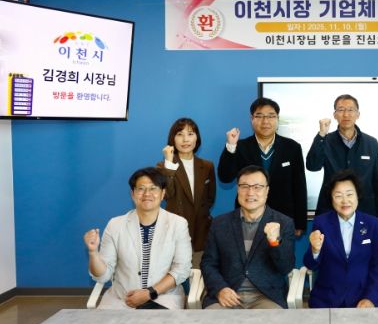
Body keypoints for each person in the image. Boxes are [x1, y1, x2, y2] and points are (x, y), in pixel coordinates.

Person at [83, 167, 192, 309]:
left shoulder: (178, 224)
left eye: (153, 188)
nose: (147, 194)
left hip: (162, 298)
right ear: (132, 194)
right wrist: (93, 252)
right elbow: (103, 276)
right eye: (141, 188)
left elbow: (182, 269)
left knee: (153, 323)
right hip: (122, 299)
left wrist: (149, 293)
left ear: (163, 193)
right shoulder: (115, 225)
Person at [201, 165, 295, 309]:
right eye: (244, 186)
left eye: (257, 187)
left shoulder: (284, 223)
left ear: (267, 191)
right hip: (227, 294)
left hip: (266, 296)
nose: (250, 192)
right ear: (237, 189)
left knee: (273, 322)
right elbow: (208, 263)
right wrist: (220, 289)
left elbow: (285, 267)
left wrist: (274, 242)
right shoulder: (220, 223)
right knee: (210, 321)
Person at [218, 97, 307, 236]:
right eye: (259, 116)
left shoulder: (292, 147)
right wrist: (231, 146)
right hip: (248, 216)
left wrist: (300, 222)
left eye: (271, 116)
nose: (265, 121)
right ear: (251, 119)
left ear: (277, 119)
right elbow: (225, 177)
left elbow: (299, 186)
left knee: (280, 251)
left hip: (282, 218)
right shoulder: (240, 147)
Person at [303, 170, 378, 308]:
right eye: (338, 196)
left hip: (362, 299)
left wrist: (370, 298)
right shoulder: (321, 223)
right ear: (331, 199)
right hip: (326, 299)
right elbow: (310, 264)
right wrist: (315, 250)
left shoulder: (371, 223)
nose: (345, 201)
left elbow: (377, 265)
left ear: (357, 196)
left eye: (349, 194)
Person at [306, 94, 378, 232]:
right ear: (334, 115)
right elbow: (312, 166)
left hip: (364, 212)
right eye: (341, 110)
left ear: (358, 114)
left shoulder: (371, 143)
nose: (346, 114)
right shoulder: (326, 140)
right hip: (330, 211)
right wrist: (321, 135)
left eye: (350, 110)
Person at [157, 117, 216, 267]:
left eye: (190, 134)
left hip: (201, 231)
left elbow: (210, 198)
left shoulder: (207, 166)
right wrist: (169, 162)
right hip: (174, 230)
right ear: (173, 139)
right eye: (180, 134)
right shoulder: (163, 166)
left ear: (197, 138)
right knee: (174, 274)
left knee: (198, 273)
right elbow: (167, 194)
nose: (185, 139)